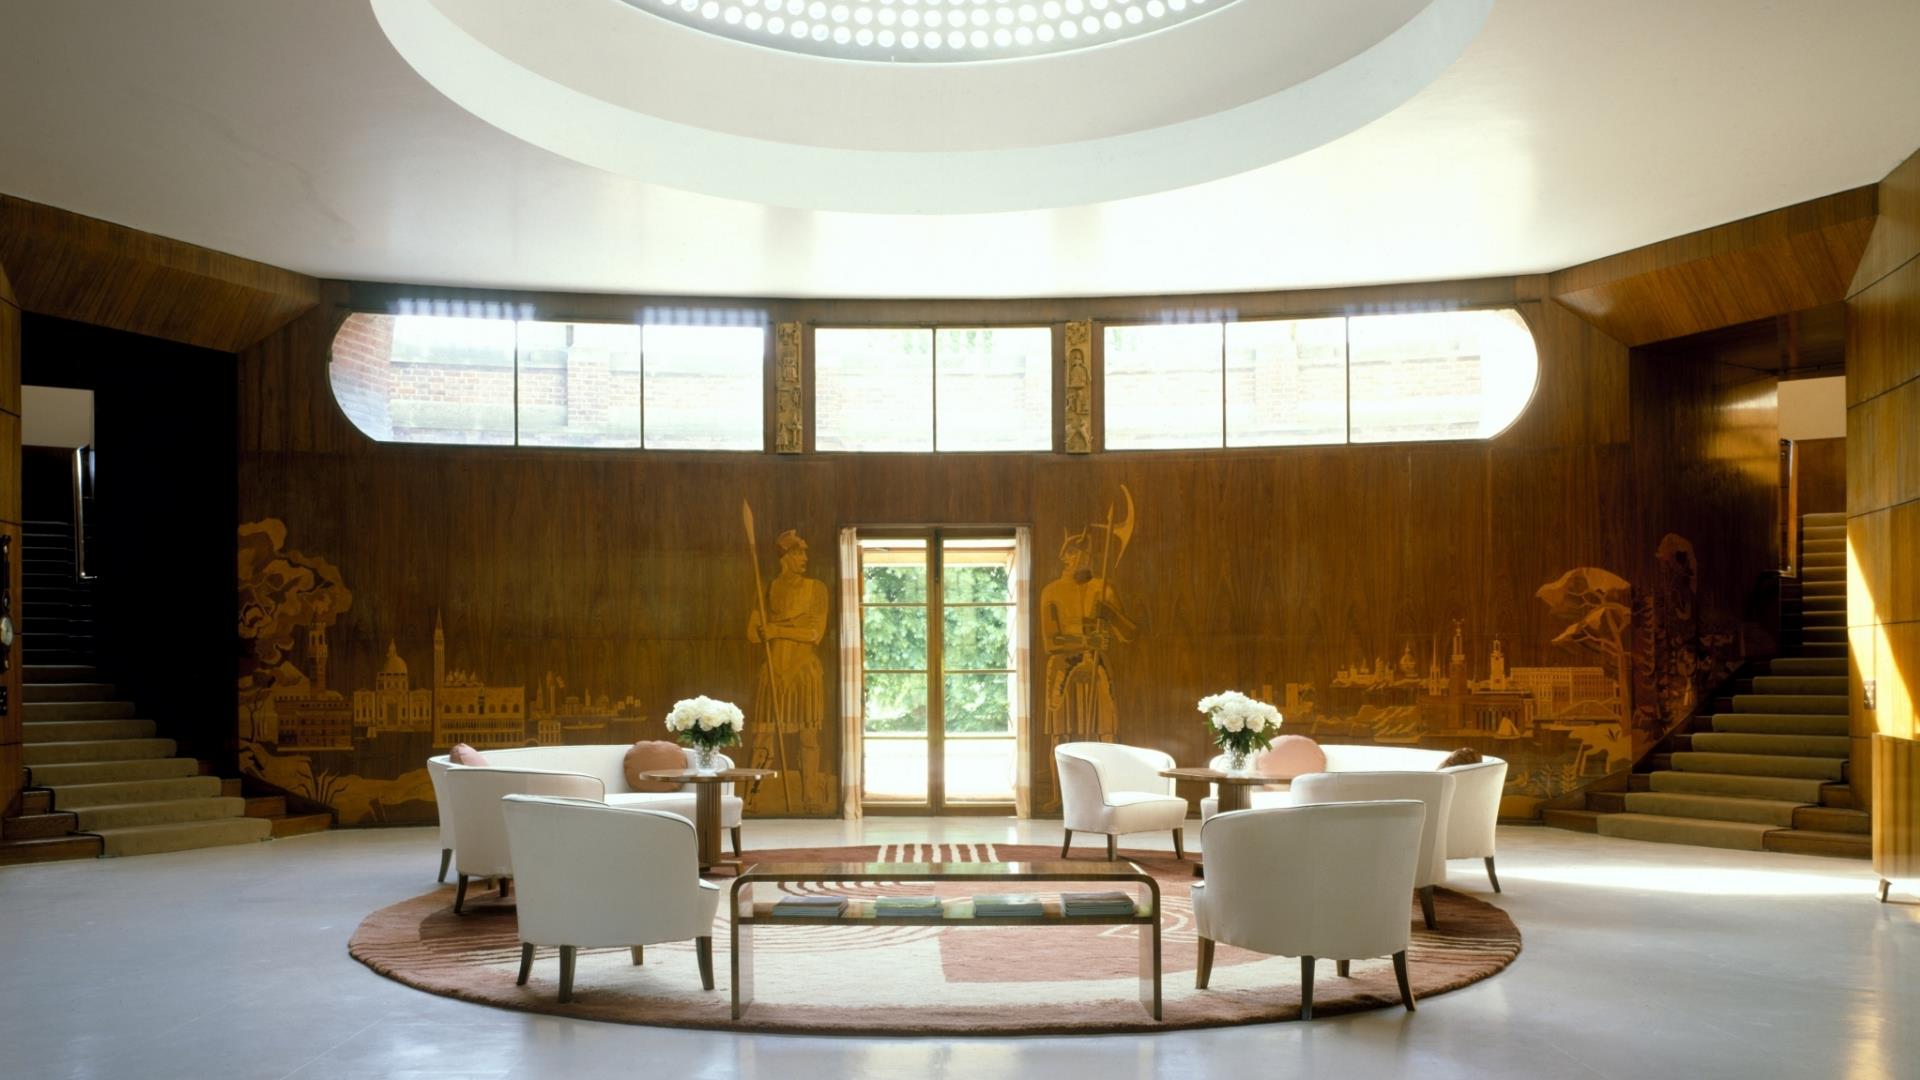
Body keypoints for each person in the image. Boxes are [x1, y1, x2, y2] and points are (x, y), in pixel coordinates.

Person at [1039, 530, 1133, 807]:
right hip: (1062, 666)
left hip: (1097, 663)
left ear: (1086, 554)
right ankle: (1059, 797)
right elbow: (1051, 641)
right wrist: (1084, 640)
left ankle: (1107, 794)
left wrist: (1111, 614)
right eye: (1065, 552)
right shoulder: (1052, 592)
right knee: (1060, 734)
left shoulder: (1103, 588)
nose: (1065, 558)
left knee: (1107, 731)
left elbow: (1128, 634)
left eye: (1072, 552)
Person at [748, 530, 831, 813]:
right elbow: (752, 633)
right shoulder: (766, 588)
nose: (804, 558)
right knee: (763, 737)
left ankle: (809, 798)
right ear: (785, 557)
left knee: (808, 737)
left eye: (805, 553)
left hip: (803, 672)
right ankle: (752, 798)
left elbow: (814, 632)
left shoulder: (816, 589)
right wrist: (763, 630)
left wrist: (777, 629)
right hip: (774, 670)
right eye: (798, 553)